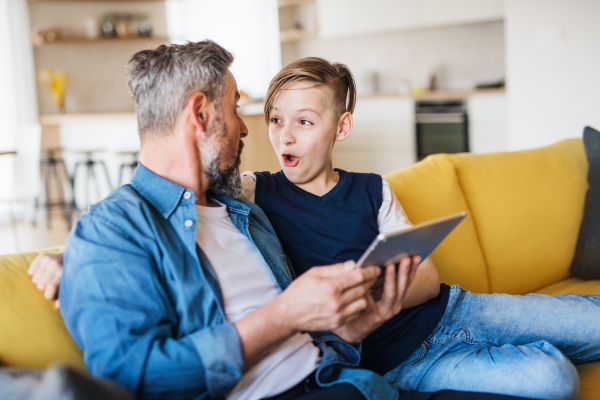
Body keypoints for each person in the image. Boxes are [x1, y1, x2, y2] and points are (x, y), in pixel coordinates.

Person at [28, 41, 529, 400]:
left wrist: (351, 328)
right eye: (236, 110)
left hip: (351, 378)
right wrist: (67, 254)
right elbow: (135, 377)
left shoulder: (244, 210)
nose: (249, 129)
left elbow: (317, 330)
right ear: (200, 115)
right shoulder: (116, 229)